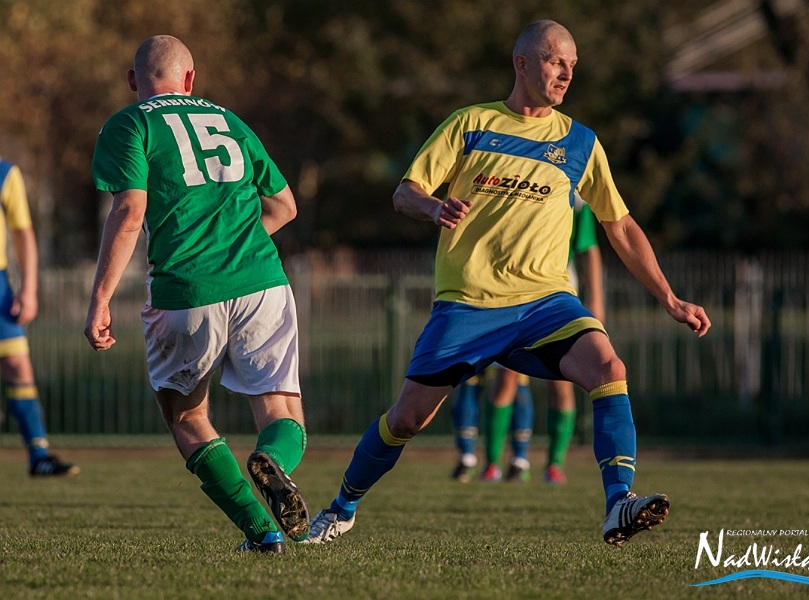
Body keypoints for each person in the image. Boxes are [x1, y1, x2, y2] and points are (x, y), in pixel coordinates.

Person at [302, 20, 710, 547]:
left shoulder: (581, 143)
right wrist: (432, 207)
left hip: (545, 302)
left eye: (572, 65)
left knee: (610, 368)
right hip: (467, 304)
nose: (566, 74)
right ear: (522, 63)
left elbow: (621, 226)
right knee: (405, 420)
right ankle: (341, 509)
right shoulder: (471, 124)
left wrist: (669, 297)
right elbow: (405, 192)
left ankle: (618, 504)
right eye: (555, 61)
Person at [86, 35, 309, 554]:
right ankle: (274, 461)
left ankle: (262, 532)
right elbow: (284, 206)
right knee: (280, 408)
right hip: (263, 284)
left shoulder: (130, 124)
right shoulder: (230, 121)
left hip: (186, 291)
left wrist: (100, 300)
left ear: (133, 80)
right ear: (190, 79)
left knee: (187, 416)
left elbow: (130, 212)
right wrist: (234, 245)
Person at [452, 199, 604, 484]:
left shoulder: (574, 198)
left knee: (561, 380)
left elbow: (588, 247)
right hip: (515, 288)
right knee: (507, 375)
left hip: (559, 291)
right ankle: (493, 463)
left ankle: (554, 464)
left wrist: (596, 298)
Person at [0, 158, 79, 477]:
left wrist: (29, 289)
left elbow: (23, 232)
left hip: (0, 287)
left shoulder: (5, 173)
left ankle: (39, 456)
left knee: (18, 365)